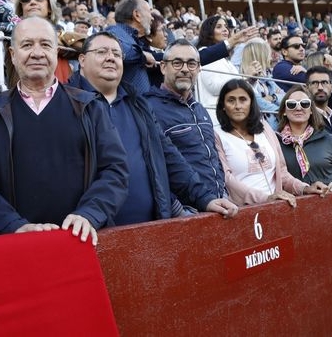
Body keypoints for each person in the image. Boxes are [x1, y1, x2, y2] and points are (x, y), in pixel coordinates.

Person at [0, 17, 129, 245]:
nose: (37, 53)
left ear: (56, 52)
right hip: (15, 248)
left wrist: (89, 213)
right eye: (27, 45)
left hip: (81, 242)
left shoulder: (90, 107)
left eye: (45, 45)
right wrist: (13, 225)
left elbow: (115, 170)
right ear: (13, 54)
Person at [69, 32, 238, 223]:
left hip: (150, 228)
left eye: (117, 54)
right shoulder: (66, 105)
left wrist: (204, 198)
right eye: (101, 52)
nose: (110, 58)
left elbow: (169, 157)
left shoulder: (138, 106)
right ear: (82, 60)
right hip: (89, 230)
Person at [214, 79, 326, 206]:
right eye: (231, 100)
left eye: (243, 99)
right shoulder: (217, 135)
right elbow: (228, 180)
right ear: (223, 105)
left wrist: (304, 188)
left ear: (251, 103)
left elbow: (282, 172)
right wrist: (265, 198)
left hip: (276, 206)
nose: (238, 106)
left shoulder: (264, 128)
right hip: (242, 211)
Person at [145, 40, 229, 200]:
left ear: (198, 68)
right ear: (163, 67)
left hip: (218, 202)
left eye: (191, 64)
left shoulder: (200, 109)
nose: (185, 69)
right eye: (177, 63)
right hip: (184, 212)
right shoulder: (149, 108)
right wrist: (178, 209)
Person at [276, 86, 332, 192]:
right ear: (284, 110)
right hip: (292, 205)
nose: (298, 108)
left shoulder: (330, 140)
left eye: (304, 104)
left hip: (327, 203)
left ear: (311, 110)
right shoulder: (275, 143)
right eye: (291, 104)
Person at [196, 15, 257, 124]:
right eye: (219, 27)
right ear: (209, 32)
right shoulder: (205, 53)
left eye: (225, 26)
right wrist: (244, 76)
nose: (225, 29)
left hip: (230, 114)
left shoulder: (225, 58)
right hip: (215, 117)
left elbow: (239, 86)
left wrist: (251, 79)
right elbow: (214, 86)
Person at [239, 38, 283, 129]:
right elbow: (259, 103)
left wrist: (273, 97)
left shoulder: (266, 77)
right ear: (261, 56)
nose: (270, 58)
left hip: (273, 125)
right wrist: (283, 110)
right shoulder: (244, 80)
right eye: (268, 54)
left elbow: (284, 95)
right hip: (262, 128)